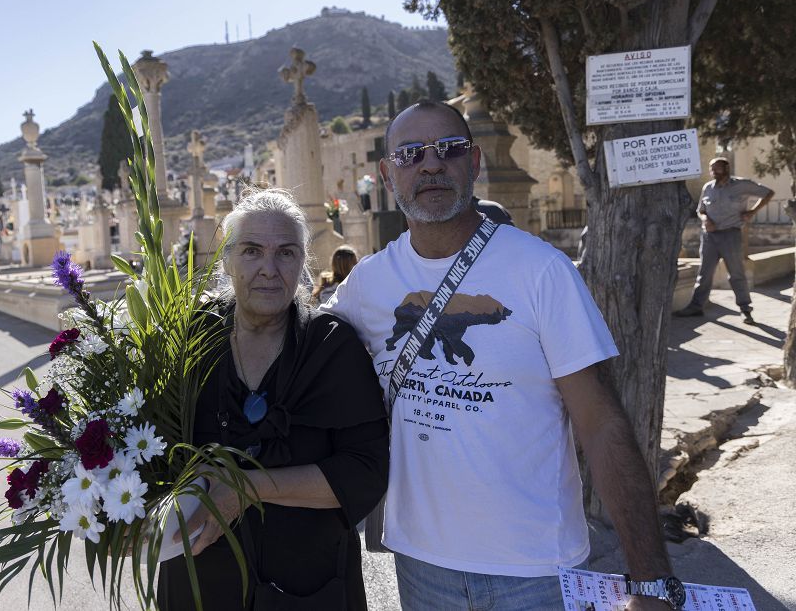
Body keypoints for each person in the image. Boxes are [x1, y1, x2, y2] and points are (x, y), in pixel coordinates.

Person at [323, 100, 684, 610]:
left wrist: (650, 580)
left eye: (447, 150)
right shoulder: (367, 284)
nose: (430, 164)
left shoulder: (542, 272)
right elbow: (301, 345)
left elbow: (601, 424)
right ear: (387, 174)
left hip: (537, 571)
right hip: (421, 566)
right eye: (410, 154)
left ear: (473, 164)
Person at [157, 188, 389, 611]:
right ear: (227, 260)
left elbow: (367, 471)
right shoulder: (189, 340)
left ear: (302, 262)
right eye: (251, 251)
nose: (269, 268)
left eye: (285, 253)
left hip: (307, 586)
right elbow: (146, 445)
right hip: (199, 583)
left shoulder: (333, 348)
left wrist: (247, 488)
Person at [674, 157, 774, 324]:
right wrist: (706, 219)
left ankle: (745, 309)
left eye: (717, 168)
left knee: (736, 274)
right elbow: (701, 210)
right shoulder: (708, 188)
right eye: (711, 169)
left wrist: (752, 211)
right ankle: (696, 307)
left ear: (726, 169)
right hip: (709, 237)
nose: (713, 172)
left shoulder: (741, 185)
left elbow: (768, 193)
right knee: (704, 274)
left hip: (731, 235)